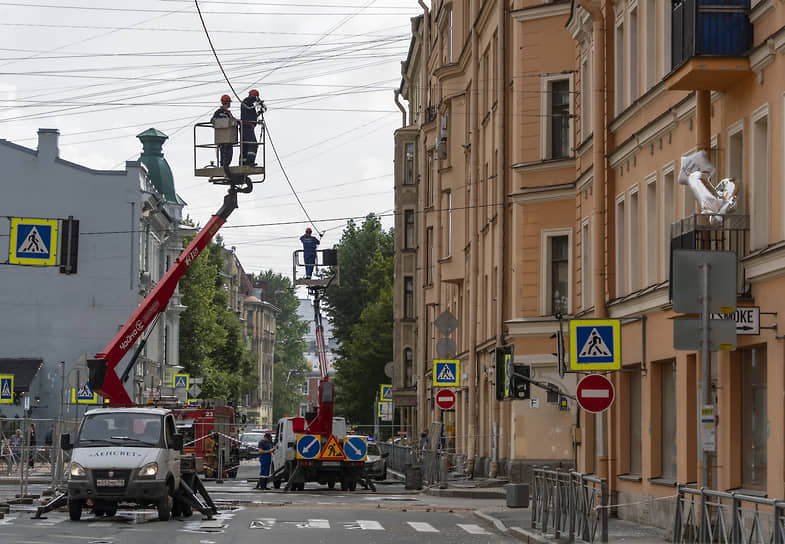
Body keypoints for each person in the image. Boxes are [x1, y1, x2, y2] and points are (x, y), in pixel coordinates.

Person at [240, 89, 264, 166]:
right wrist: (258, 100)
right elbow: (251, 99)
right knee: (253, 144)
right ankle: (250, 162)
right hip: (247, 127)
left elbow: (251, 116)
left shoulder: (249, 106)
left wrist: (260, 113)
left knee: (245, 146)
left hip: (246, 127)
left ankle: (243, 162)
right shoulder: (246, 101)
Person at [211, 94, 235, 168]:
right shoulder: (218, 112)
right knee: (224, 153)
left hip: (229, 138)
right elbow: (213, 120)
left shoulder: (229, 113)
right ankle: (223, 167)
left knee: (230, 154)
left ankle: (226, 167)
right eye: (229, 102)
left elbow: (234, 121)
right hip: (222, 138)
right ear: (226, 102)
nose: (229, 104)